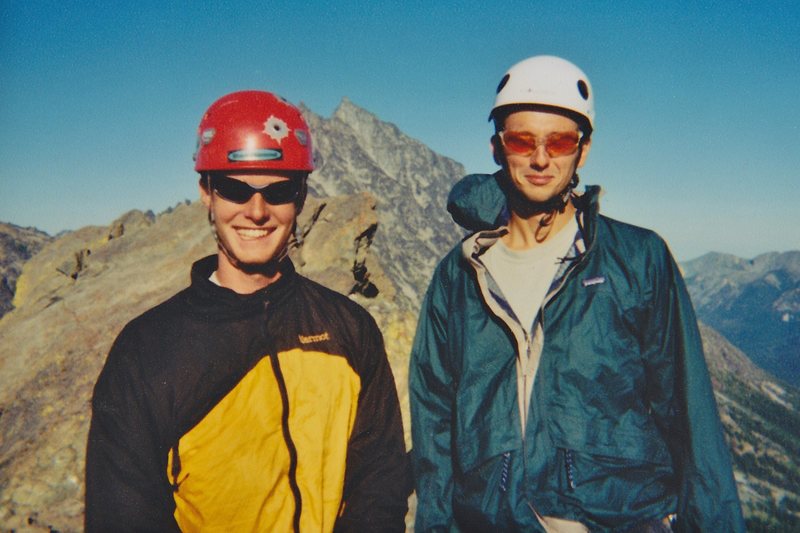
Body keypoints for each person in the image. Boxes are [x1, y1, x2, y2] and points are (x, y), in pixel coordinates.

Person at [409, 56, 744, 532]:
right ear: (497, 147)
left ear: (582, 151)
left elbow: (690, 421)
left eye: (560, 140)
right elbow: (435, 424)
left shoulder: (638, 259)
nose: (541, 158)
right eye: (522, 139)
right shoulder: (459, 274)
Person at [85, 90, 410, 532]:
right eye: (236, 189)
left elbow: (380, 482)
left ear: (301, 197)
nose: (257, 212)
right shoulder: (146, 351)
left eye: (279, 191)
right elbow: (123, 517)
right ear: (207, 193)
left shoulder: (349, 329)